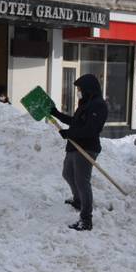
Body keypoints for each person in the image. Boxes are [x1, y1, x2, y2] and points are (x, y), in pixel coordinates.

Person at [50, 74, 108, 231]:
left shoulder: (98, 105)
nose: (79, 92)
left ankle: (86, 220)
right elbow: (75, 122)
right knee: (67, 174)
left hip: (87, 147)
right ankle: (78, 200)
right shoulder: (86, 104)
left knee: (82, 181)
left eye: (81, 89)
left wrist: (69, 134)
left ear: (89, 89)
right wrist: (55, 113)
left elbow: (91, 129)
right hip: (74, 146)